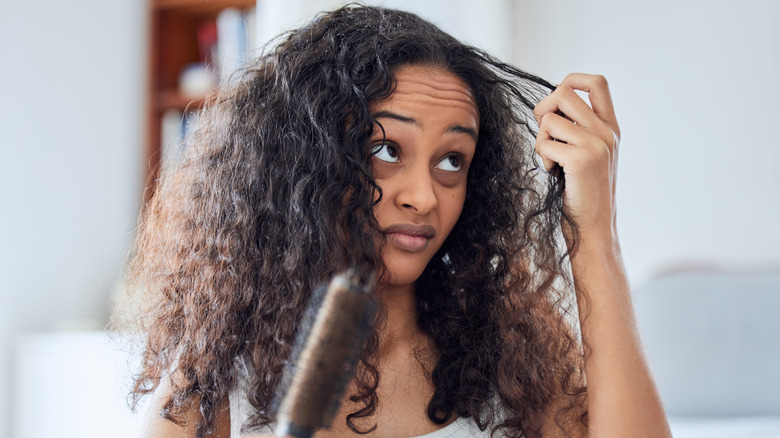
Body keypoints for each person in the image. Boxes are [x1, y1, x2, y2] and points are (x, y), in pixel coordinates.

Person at [124, 5, 671, 438]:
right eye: (386, 149)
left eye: (452, 161)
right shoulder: (212, 385)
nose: (423, 196)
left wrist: (594, 236)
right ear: (308, 162)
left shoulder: (512, 367)